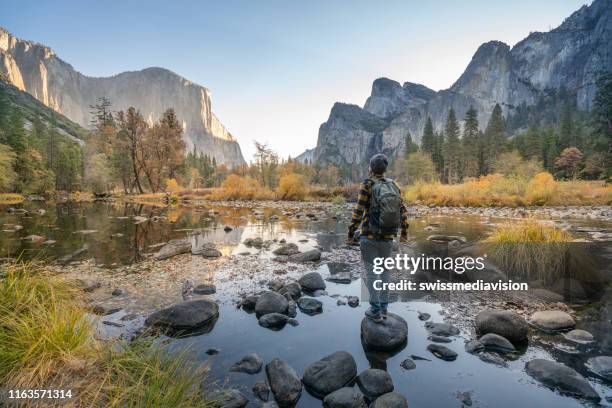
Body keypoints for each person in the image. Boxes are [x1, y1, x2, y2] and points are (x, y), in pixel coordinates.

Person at [347, 154, 409, 323]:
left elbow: (358, 212)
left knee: (372, 272)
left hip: (369, 236)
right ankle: (384, 307)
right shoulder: (394, 185)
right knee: (386, 272)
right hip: (388, 237)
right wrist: (404, 233)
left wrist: (351, 233)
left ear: (371, 168)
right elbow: (402, 210)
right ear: (385, 169)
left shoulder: (367, 184)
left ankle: (374, 310)